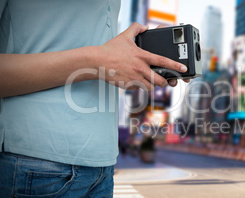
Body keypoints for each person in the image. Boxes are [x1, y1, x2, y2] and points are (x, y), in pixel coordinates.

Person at [0, 1, 189, 197]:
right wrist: (99, 60)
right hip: (35, 162)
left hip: (102, 168)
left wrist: (136, 57)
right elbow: (102, 57)